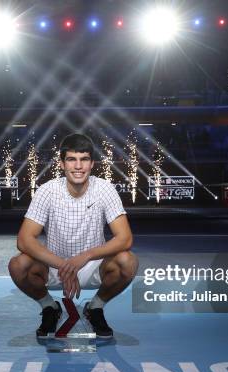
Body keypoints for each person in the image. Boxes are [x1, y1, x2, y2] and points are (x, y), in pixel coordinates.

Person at [8, 133, 138, 339]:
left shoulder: (105, 188)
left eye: (84, 159)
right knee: (18, 265)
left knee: (127, 262)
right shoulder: (47, 190)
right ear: (61, 163)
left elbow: (125, 239)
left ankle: (95, 307)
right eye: (72, 159)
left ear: (92, 163)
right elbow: (24, 240)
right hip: (55, 266)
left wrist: (85, 256)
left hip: (93, 265)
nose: (78, 166)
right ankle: (50, 306)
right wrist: (63, 264)